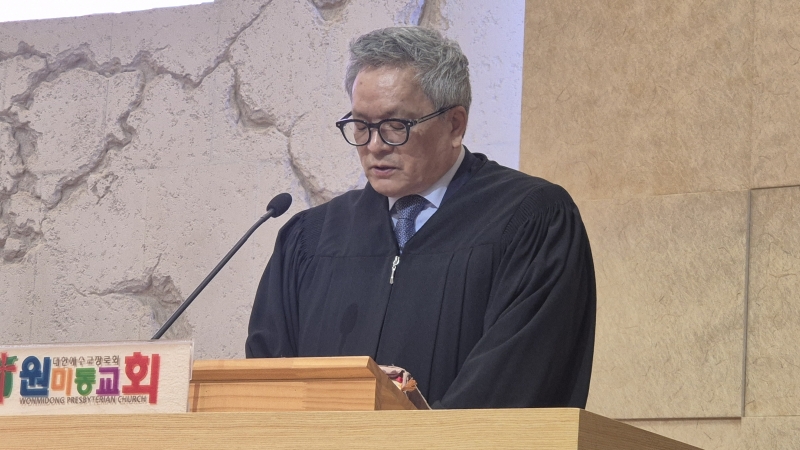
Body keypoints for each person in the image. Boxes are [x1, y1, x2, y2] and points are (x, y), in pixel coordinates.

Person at [246, 26, 596, 409]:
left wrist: (413, 435)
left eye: (395, 126)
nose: (374, 146)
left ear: (455, 124)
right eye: (361, 126)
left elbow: (515, 382)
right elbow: (268, 384)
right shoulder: (311, 239)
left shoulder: (531, 220)